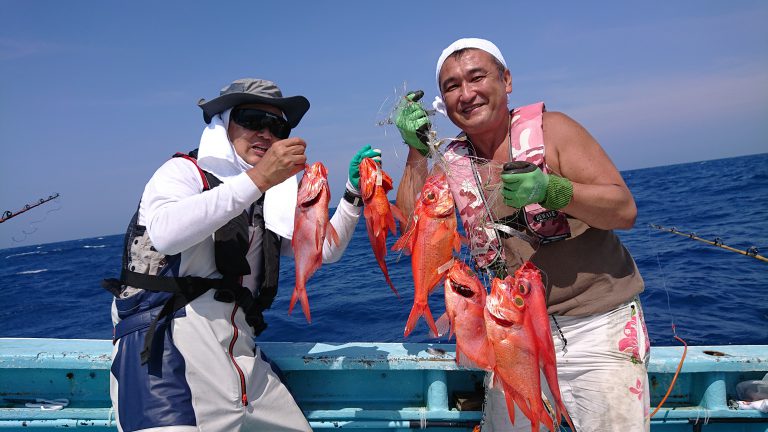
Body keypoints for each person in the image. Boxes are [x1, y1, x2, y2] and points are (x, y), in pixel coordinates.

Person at [394, 38, 650, 431]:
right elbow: (412, 224)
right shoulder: (452, 162)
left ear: (507, 80)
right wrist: (416, 152)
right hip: (510, 332)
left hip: (596, 329)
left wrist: (552, 190)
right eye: (452, 86)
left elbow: (624, 209)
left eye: (477, 77)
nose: (467, 93)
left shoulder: (554, 131)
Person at [102, 78, 378, 431]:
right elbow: (166, 234)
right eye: (251, 119)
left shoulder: (267, 200)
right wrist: (261, 178)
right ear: (225, 122)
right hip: (163, 354)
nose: (265, 132)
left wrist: (354, 196)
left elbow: (320, 250)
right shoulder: (183, 173)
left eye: (277, 126)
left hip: (241, 358)